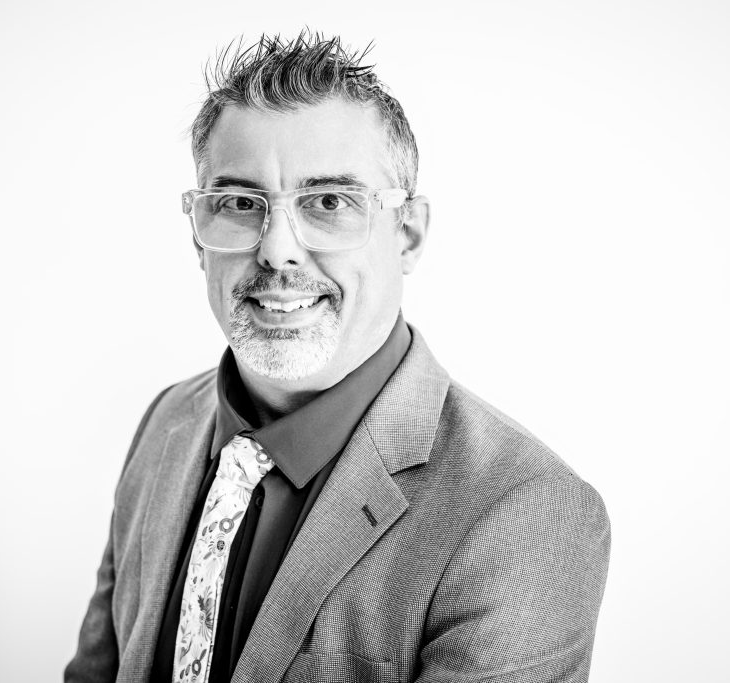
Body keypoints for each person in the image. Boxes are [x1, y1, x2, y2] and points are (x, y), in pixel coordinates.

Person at [64, 32, 610, 683]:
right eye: (239, 204)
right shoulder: (166, 423)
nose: (277, 250)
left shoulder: (523, 511)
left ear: (408, 235)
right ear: (197, 236)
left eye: (329, 202)